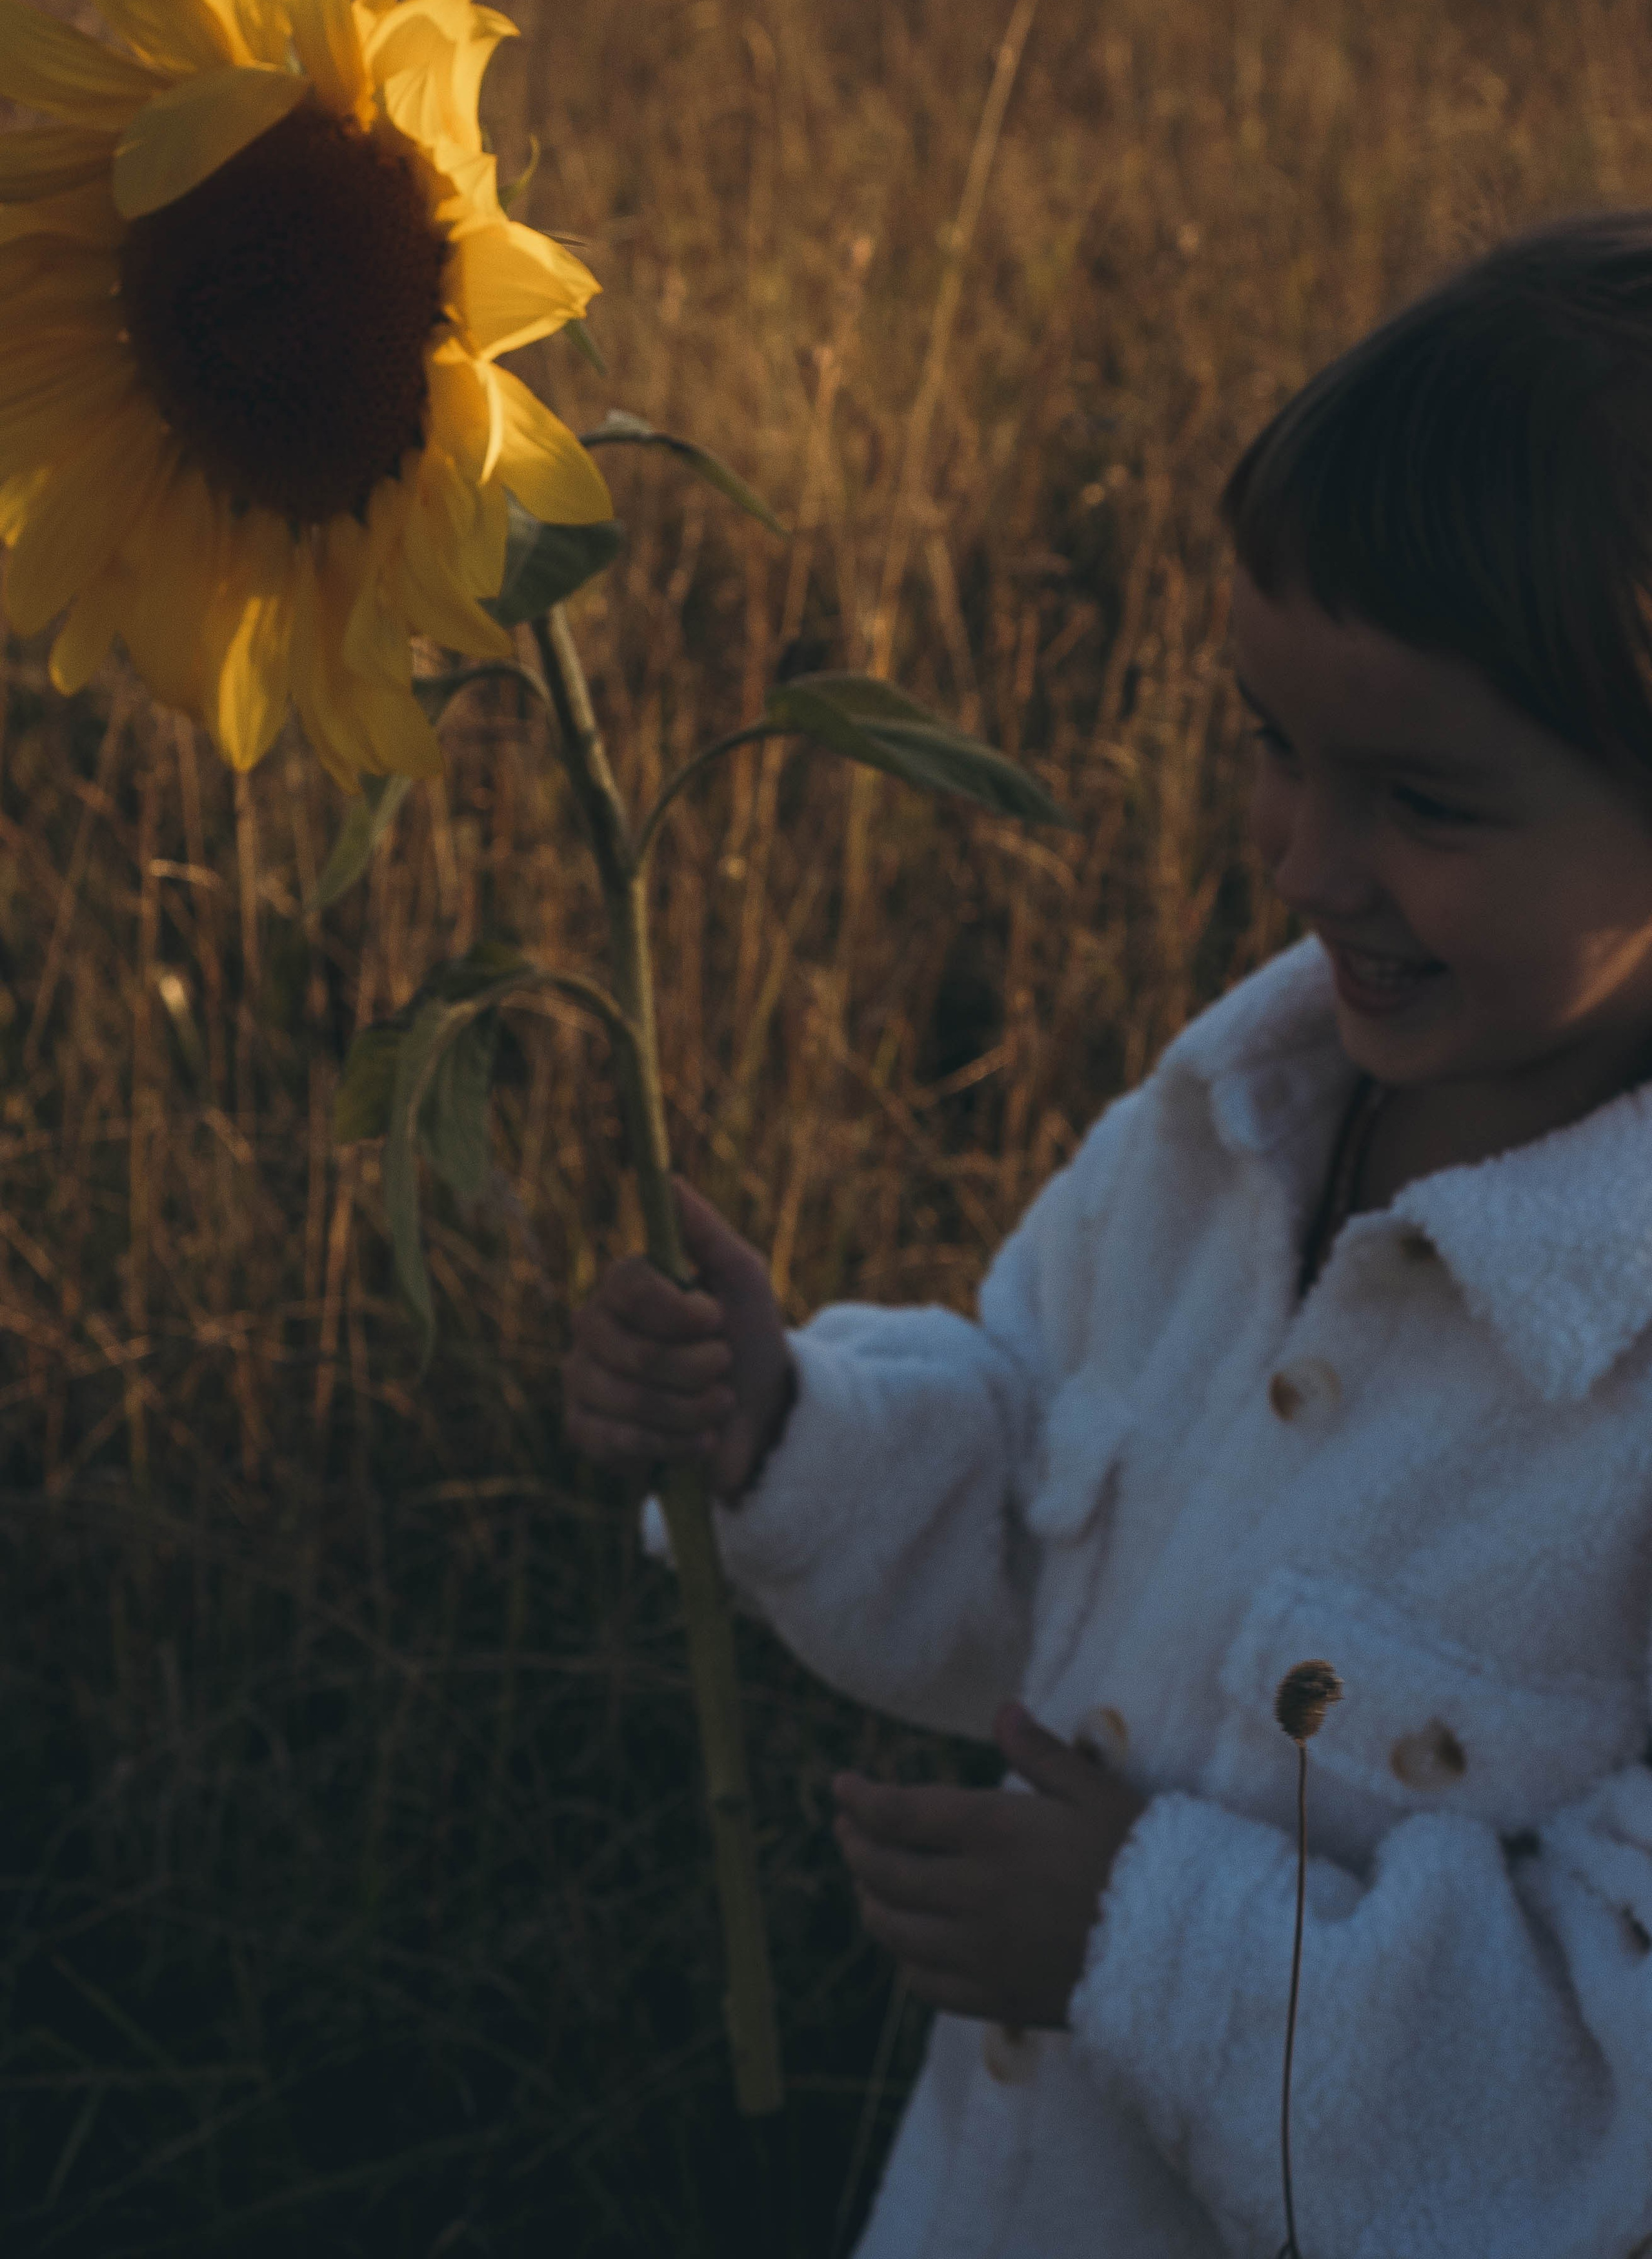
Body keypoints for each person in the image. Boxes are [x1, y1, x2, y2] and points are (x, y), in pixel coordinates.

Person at [561, 208, 1652, 2256]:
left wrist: (1142, 1945)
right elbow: (1026, 1497)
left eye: (1425, 801)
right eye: (1272, 750)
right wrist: (780, 1426)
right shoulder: (1234, 1134)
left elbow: (1613, 2100)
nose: (1309, 861)